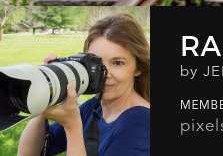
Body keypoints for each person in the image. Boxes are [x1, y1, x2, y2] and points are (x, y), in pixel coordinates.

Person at [17, 13, 150, 156]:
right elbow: (29, 153)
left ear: (138, 67)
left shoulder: (141, 122)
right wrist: (47, 95)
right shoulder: (94, 107)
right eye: (96, 63)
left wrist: (72, 127)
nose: (104, 74)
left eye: (118, 63)